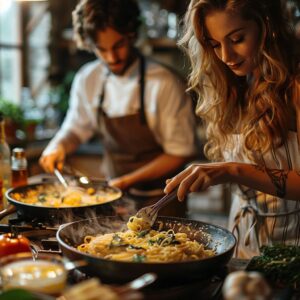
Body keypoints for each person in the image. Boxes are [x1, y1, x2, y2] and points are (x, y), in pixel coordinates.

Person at [164, 0, 300, 258]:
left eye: (237, 39)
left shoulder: (295, 86)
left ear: (266, 25)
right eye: (214, 45)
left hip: (292, 248)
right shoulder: (231, 85)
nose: (226, 57)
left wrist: (232, 170)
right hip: (241, 239)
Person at [39, 0, 198, 198]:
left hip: (162, 198)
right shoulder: (88, 79)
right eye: (101, 49)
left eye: (118, 45)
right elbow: (77, 128)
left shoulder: (164, 83)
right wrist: (58, 146)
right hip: (114, 198)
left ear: (132, 35)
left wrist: (124, 181)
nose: (112, 57)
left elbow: (180, 153)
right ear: (89, 45)